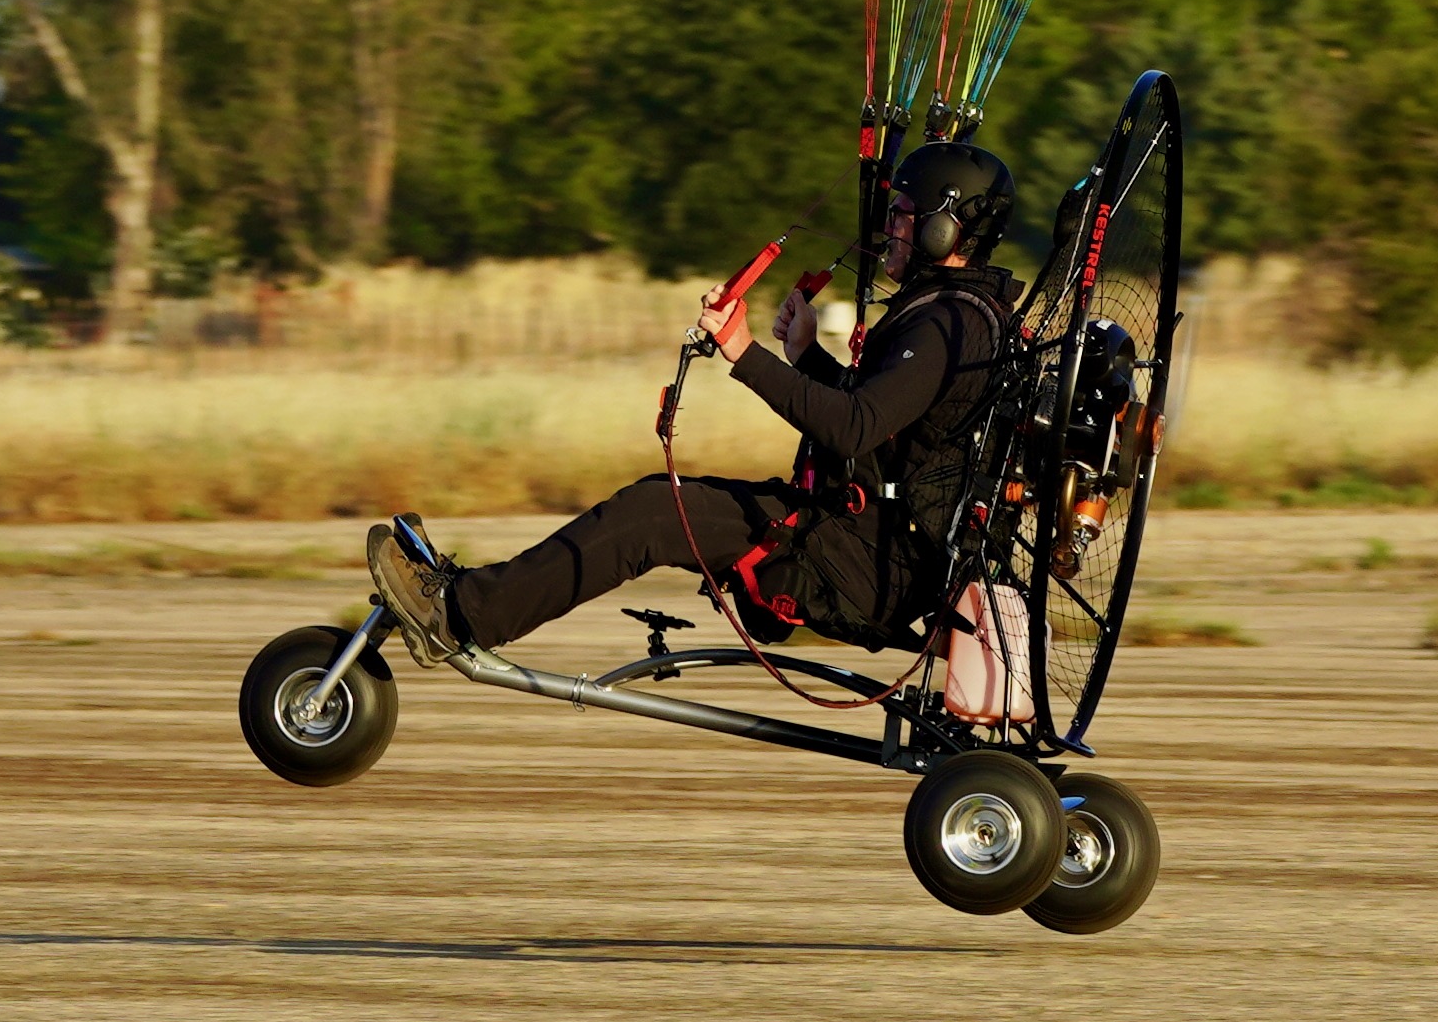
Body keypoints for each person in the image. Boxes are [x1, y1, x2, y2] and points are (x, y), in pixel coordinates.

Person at [364, 135, 1018, 666]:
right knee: (656, 505)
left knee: (653, 511)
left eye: (904, 214)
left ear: (946, 228)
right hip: (856, 538)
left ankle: (456, 615)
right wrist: (806, 357)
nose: (890, 229)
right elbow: (893, 429)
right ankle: (470, 599)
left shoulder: (944, 324)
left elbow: (854, 429)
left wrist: (743, 352)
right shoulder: (959, 314)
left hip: (854, 565)